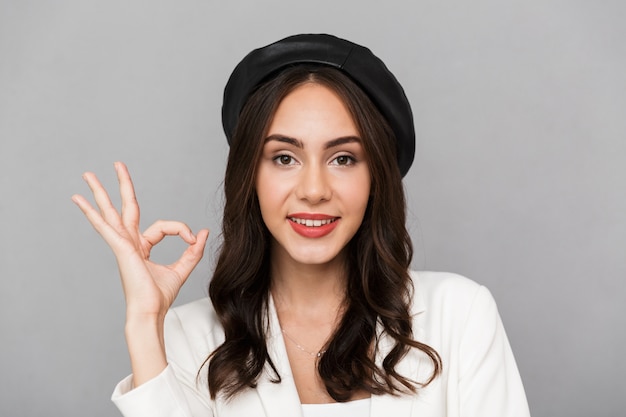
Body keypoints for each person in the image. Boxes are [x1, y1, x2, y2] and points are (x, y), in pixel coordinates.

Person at [73, 34, 530, 416]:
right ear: (251, 175)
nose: (313, 189)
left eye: (344, 158)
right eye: (285, 158)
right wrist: (144, 321)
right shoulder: (185, 337)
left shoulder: (460, 314)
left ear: (376, 179)